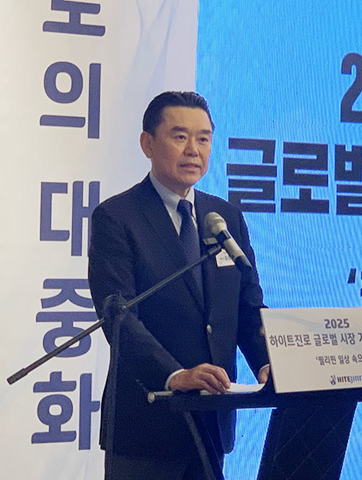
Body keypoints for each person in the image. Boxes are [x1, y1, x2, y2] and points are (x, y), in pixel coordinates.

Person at [88, 91, 270, 480]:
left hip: (212, 419)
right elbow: (118, 317)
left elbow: (247, 307)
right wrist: (174, 375)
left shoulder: (225, 218)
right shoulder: (117, 217)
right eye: (180, 136)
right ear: (147, 144)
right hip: (147, 424)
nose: (193, 150)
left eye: (203, 138)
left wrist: (269, 361)